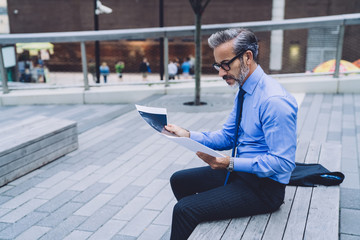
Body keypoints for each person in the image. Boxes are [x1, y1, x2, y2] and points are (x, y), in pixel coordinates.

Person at [165, 28, 298, 240]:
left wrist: (230, 164)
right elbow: (228, 136)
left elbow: (283, 163)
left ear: (247, 57)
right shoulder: (244, 90)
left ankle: (195, 220)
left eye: (226, 64)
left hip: (265, 189)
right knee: (178, 180)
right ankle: (198, 229)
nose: (220, 72)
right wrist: (187, 135)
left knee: (184, 209)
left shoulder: (274, 102)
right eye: (218, 65)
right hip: (240, 172)